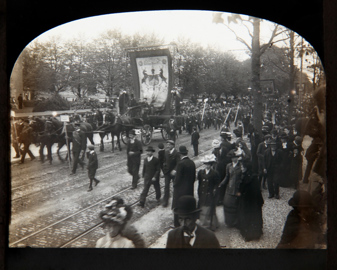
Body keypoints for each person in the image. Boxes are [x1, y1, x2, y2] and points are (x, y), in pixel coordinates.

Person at [237, 160, 264, 241]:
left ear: (246, 168)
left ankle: (249, 235)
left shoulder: (247, 177)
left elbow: (243, 189)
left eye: (243, 167)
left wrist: (239, 193)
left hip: (248, 201)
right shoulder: (251, 176)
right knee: (253, 217)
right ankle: (255, 234)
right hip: (252, 201)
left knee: (248, 216)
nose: (241, 168)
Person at [172, 146, 196, 227]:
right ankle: (188, 223)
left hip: (180, 190)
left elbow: (178, 178)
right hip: (189, 189)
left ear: (180, 155)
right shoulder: (192, 162)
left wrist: (174, 185)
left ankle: (177, 224)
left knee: (178, 206)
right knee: (187, 207)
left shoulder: (180, 164)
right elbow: (193, 178)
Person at [219, 149, 243, 227]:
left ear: (238, 157)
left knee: (237, 205)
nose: (234, 159)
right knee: (227, 204)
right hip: (229, 188)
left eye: (235, 157)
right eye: (232, 158)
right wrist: (221, 183)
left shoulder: (241, 166)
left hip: (238, 189)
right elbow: (227, 177)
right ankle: (229, 222)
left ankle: (236, 222)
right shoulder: (228, 166)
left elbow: (243, 177)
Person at [197, 154, 220, 231]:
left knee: (209, 209)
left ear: (211, 165)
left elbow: (217, 184)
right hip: (202, 193)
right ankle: (206, 224)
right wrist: (199, 192)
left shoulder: (214, 173)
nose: (207, 166)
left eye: (209, 164)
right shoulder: (201, 172)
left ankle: (209, 225)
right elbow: (200, 183)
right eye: (206, 164)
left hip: (210, 194)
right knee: (203, 207)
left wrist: (214, 192)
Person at [162, 140, 180, 207]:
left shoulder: (176, 153)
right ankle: (165, 201)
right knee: (166, 187)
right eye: (167, 145)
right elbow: (164, 161)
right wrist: (164, 170)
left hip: (174, 173)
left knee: (175, 186)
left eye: (169, 145)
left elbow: (178, 163)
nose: (168, 146)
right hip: (167, 173)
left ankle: (176, 201)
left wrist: (175, 170)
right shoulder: (166, 152)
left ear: (173, 145)